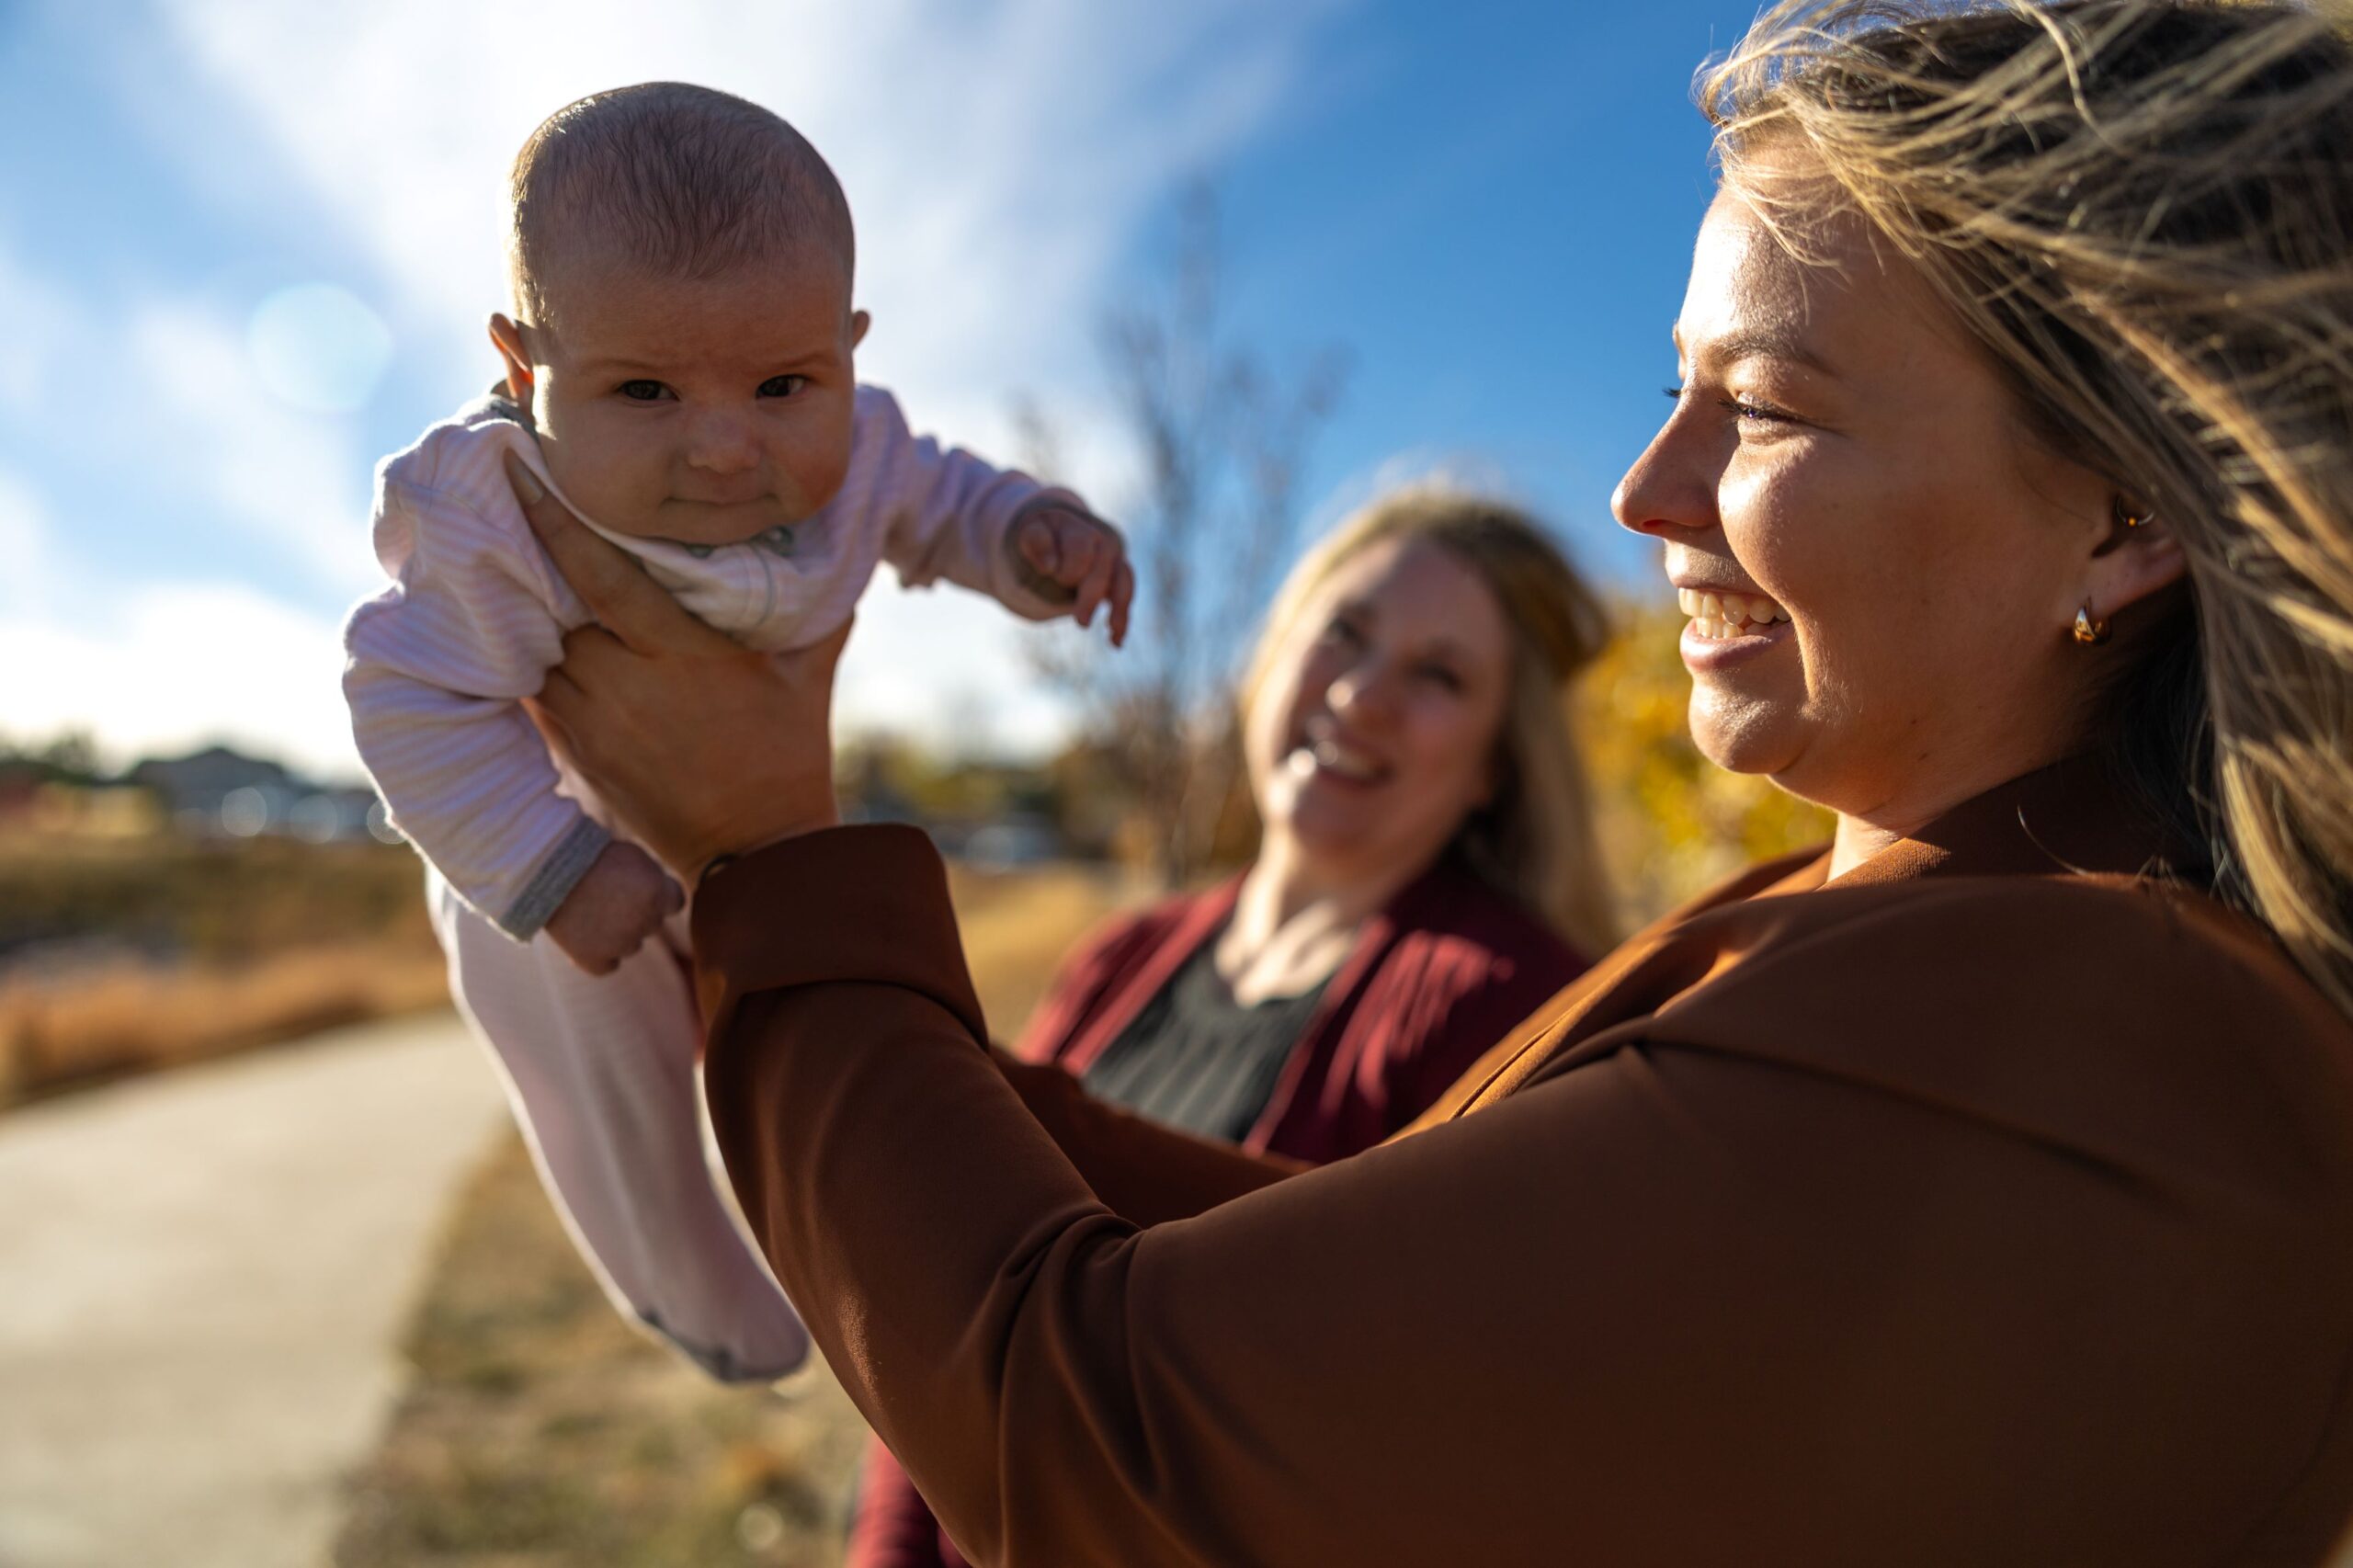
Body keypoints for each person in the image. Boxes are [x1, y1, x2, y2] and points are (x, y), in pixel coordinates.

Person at [512, 2, 2353, 1560]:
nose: (1644, 496)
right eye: (1666, 392)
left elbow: (1108, 1436)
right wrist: (858, 1021)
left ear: (2121, 523)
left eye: (1768, 406)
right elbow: (1343, 1301)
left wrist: (771, 861)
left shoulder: (2075, 1030)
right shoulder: (1908, 931)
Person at [342, 82, 1131, 1384]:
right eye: (644, 388)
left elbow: (950, 505)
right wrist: (549, 870)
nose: (723, 445)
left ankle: (798, 1263)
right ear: (523, 367)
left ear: (849, 351)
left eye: (781, 383)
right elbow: (406, 697)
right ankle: (680, 1283)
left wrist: (1033, 540)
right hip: (545, 856)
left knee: (786, 1069)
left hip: (751, 849)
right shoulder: (493, 510)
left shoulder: (866, 453)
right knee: (609, 1095)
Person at [845, 488, 1615, 1568]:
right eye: (1342, 631)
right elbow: (953, 1300)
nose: (1360, 694)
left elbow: (1407, 1441)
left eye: (1437, 674)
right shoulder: (1121, 956)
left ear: (1495, 760)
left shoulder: (1512, 1009)